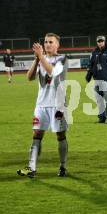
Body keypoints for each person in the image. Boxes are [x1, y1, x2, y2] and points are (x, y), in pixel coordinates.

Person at [17, 33, 69, 178]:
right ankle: (31, 167)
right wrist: (36, 59)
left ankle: (63, 166)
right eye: (45, 42)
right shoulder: (40, 58)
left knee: (60, 135)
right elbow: (29, 77)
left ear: (57, 45)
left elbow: (52, 72)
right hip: (41, 104)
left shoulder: (62, 59)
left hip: (57, 105)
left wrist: (41, 58)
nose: (47, 44)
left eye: (51, 42)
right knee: (37, 134)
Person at [86, 36, 107, 124]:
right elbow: (91, 64)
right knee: (99, 100)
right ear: (97, 42)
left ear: (105, 42)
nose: (100, 43)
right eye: (99, 41)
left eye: (102, 41)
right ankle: (102, 118)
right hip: (97, 79)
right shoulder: (94, 52)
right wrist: (89, 75)